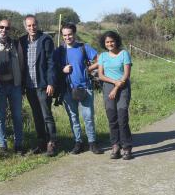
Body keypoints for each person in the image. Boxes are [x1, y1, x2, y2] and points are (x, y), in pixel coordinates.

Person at [54, 23, 102, 155]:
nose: (67, 37)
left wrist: (89, 69)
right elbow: (53, 68)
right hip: (67, 90)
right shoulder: (59, 51)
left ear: (74, 34)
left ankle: (92, 142)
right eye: (64, 35)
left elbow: (100, 59)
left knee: (88, 117)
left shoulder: (83, 48)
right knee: (73, 118)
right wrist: (62, 69)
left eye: (70, 34)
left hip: (85, 88)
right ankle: (78, 143)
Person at [20, 15, 57, 156]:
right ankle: (41, 142)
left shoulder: (45, 39)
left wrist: (51, 83)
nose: (32, 28)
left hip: (43, 85)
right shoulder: (22, 41)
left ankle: (52, 142)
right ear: (25, 27)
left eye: (34, 25)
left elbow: (51, 63)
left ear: (37, 24)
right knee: (36, 115)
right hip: (29, 86)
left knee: (46, 114)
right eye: (29, 26)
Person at [98, 31, 133, 160]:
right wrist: (113, 83)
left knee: (122, 118)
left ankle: (127, 148)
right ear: (104, 43)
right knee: (112, 119)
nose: (110, 44)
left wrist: (117, 87)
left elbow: (126, 75)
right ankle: (115, 146)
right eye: (107, 42)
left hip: (123, 87)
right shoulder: (102, 56)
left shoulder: (124, 54)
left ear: (116, 41)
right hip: (108, 87)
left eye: (112, 41)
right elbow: (101, 75)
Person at [0, 19, 25, 154]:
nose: (4, 30)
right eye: (1, 27)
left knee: (17, 116)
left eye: (7, 28)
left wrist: (21, 84)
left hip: (14, 86)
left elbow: (22, 65)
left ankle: (19, 145)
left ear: (10, 30)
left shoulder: (16, 45)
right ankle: (2, 145)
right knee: (0, 118)